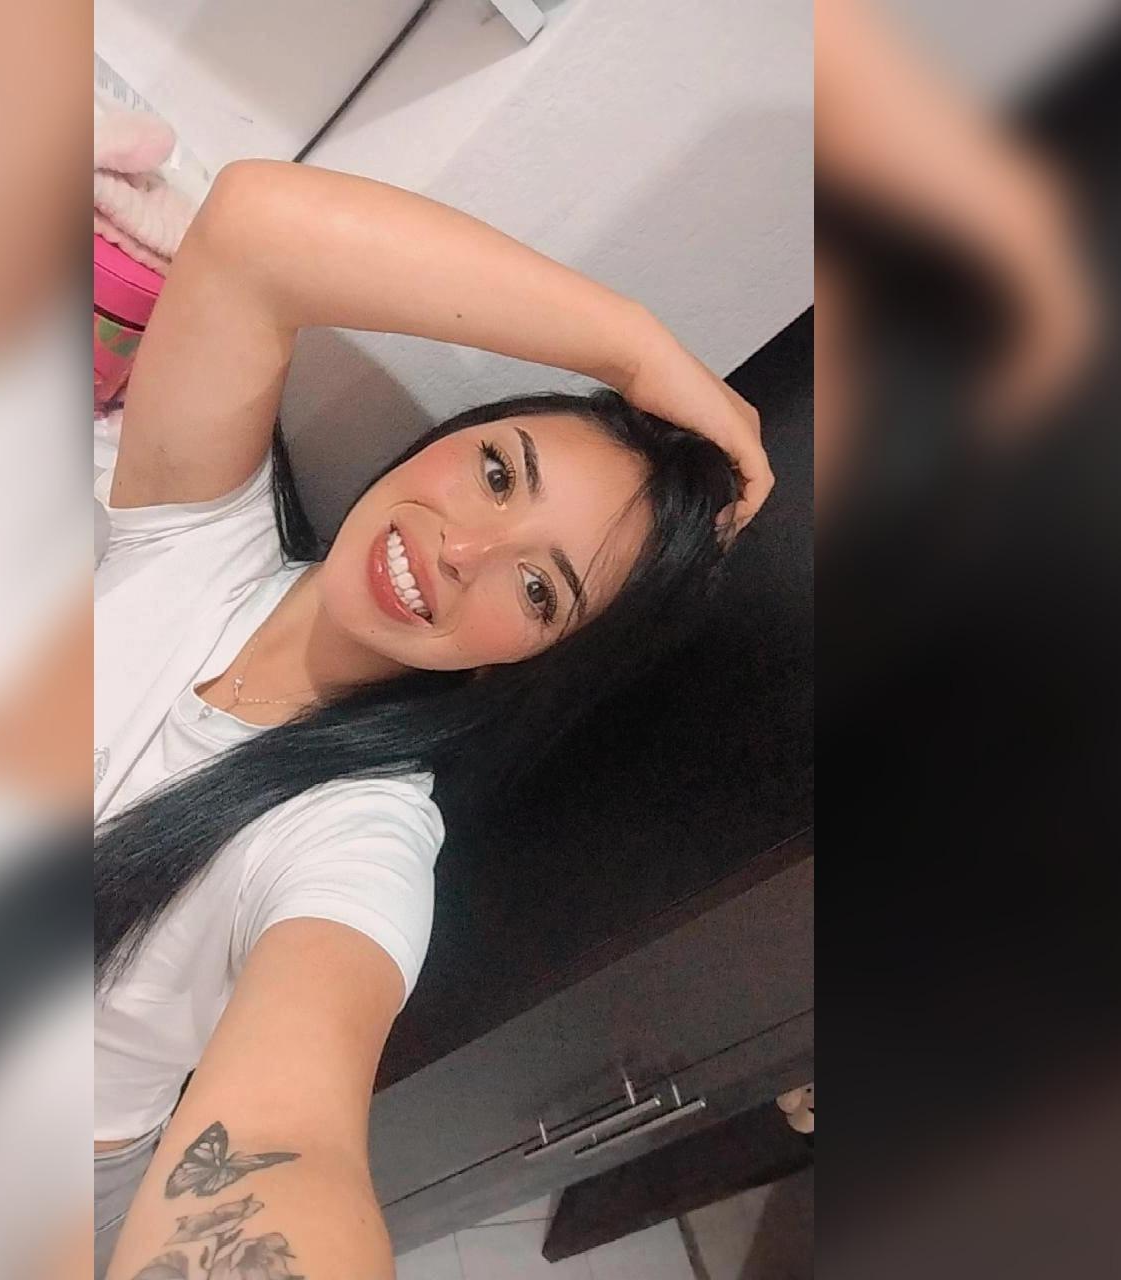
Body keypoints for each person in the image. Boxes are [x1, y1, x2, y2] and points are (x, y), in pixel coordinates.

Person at [94, 159, 770, 1280]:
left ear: (536, 657)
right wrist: (639, 353)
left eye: (539, 587)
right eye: (499, 473)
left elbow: (293, 1135)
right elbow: (258, 226)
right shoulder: (195, 534)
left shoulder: (358, 838)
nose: (463, 549)